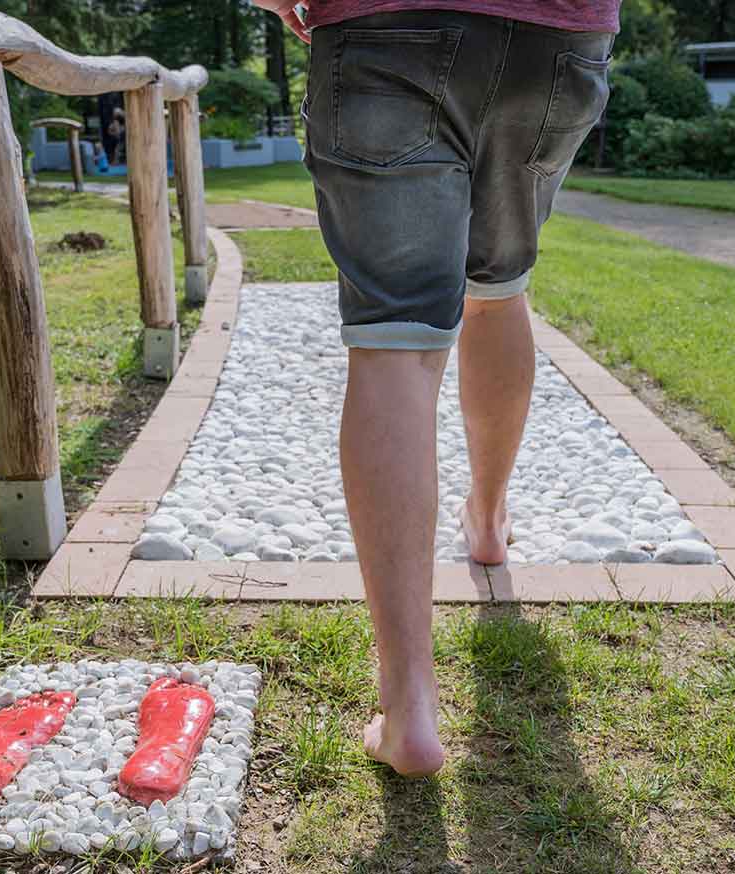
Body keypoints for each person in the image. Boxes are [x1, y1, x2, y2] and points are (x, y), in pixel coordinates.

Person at [254, 0, 619, 777]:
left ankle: (409, 710)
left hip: (386, 25)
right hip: (557, 37)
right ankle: (487, 521)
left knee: (396, 342)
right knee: (499, 288)